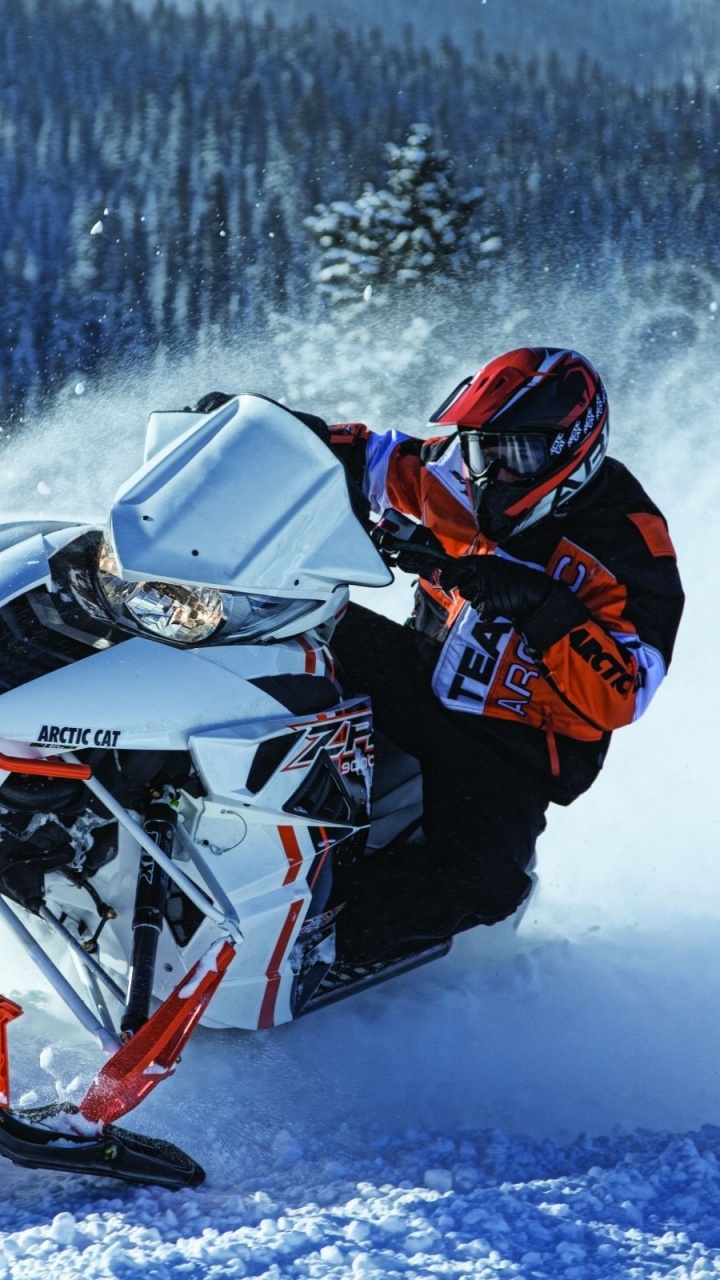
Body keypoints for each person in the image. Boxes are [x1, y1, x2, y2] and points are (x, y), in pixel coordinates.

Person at [199, 347, 685, 965]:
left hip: (510, 742)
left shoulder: (632, 543)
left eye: (522, 453)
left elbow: (628, 691)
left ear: (576, 447)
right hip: (417, 668)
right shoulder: (458, 471)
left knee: (487, 883)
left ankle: (310, 951)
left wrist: (545, 608)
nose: (496, 473)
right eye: (486, 448)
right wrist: (262, 429)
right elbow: (365, 456)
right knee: (273, 628)